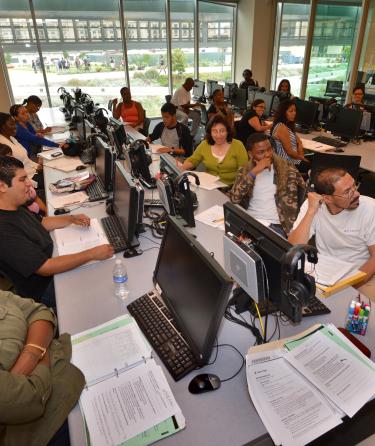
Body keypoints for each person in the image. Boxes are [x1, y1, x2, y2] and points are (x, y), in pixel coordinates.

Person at [0, 156, 114, 307]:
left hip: (53, 258)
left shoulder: (14, 204)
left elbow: (40, 223)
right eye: (22, 180)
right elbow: (45, 268)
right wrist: (92, 254)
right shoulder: (4, 231)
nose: (29, 183)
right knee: (107, 281)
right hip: (46, 287)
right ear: (2, 186)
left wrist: (71, 219)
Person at [0, 289, 85, 446]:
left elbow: (39, 312)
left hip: (63, 356)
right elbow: (31, 396)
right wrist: (39, 346)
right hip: (43, 422)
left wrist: (32, 352)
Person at [289, 168, 375, 299]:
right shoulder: (312, 205)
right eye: (347, 192)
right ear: (327, 198)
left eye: (354, 186)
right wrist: (311, 212)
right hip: (324, 275)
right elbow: (292, 248)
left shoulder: (370, 209)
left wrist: (348, 286)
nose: (356, 193)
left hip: (361, 275)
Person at [230, 133, 305, 237]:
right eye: (261, 152)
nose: (267, 154)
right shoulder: (245, 170)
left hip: (276, 225)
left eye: (269, 149)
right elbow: (234, 198)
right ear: (251, 154)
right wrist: (254, 172)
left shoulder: (287, 168)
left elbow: (303, 192)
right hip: (249, 221)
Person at [181, 114, 248, 186]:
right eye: (215, 131)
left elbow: (244, 170)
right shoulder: (205, 144)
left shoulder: (238, 145)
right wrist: (182, 168)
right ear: (210, 132)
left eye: (222, 131)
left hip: (231, 187)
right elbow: (193, 160)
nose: (218, 135)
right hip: (209, 185)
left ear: (227, 131)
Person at [0, 143, 46, 215]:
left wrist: (46, 211)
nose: (12, 158)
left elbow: (35, 197)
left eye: (11, 155)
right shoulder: (15, 196)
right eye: (8, 157)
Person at [0, 112, 42, 188]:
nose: (15, 126)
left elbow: (26, 159)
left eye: (15, 123)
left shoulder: (11, 138)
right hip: (27, 180)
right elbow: (12, 173)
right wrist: (35, 171)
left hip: (33, 173)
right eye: (12, 124)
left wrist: (37, 166)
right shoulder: (3, 146)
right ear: (2, 127)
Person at [271, 99, 310, 174]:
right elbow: (290, 152)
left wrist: (301, 154)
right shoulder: (282, 127)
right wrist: (302, 157)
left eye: (295, 111)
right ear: (283, 112)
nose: (294, 113)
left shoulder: (286, 125)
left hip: (292, 159)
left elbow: (299, 141)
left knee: (313, 159)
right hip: (287, 162)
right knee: (314, 164)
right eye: (291, 111)